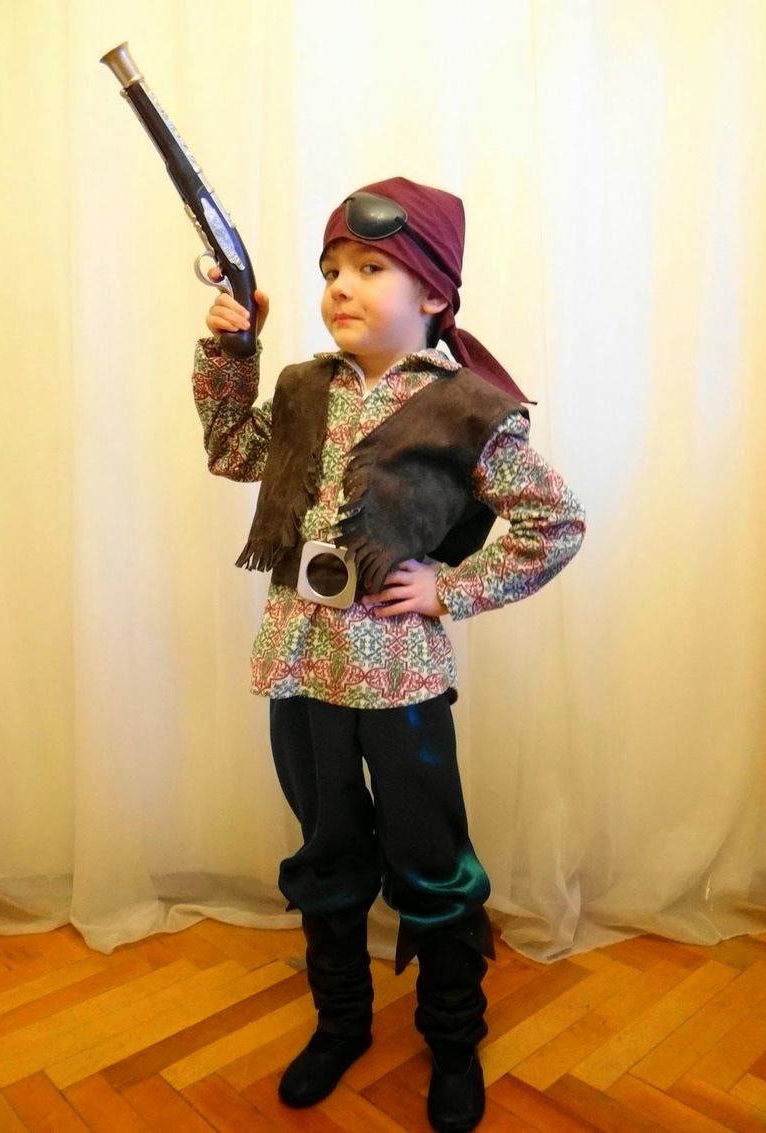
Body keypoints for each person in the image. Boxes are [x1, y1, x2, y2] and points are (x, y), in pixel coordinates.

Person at [192, 176, 585, 1133]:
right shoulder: (302, 389)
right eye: (332, 268)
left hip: (401, 679)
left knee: (430, 860)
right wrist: (233, 351)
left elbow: (556, 522)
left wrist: (451, 588)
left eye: (371, 268)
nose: (342, 285)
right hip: (299, 667)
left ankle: (452, 1036)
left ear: (434, 294)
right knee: (326, 850)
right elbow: (231, 451)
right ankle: (341, 1021)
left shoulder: (467, 408)